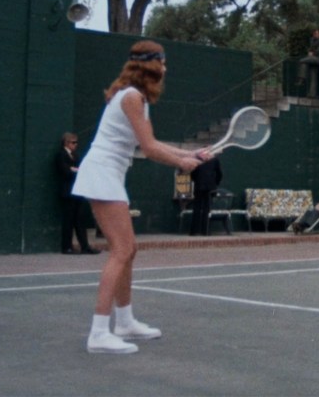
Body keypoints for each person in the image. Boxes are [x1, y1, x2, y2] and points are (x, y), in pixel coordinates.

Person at [72, 40, 209, 355]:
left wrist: (189, 153)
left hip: (110, 174)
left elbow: (151, 142)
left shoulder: (136, 98)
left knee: (128, 250)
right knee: (121, 251)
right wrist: (181, 163)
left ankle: (125, 322)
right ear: (152, 65)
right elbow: (149, 149)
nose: (166, 68)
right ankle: (98, 333)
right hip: (102, 173)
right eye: (163, 62)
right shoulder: (132, 98)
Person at [55, 132, 98, 255]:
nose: (76, 145)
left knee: (80, 220)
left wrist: (74, 170)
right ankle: (66, 247)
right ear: (66, 143)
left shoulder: (75, 156)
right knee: (68, 220)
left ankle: (85, 246)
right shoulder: (61, 155)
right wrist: (74, 170)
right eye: (73, 142)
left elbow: (81, 170)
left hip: (77, 191)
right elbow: (65, 172)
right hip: (67, 192)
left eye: (76, 142)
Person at [189, 157, 223, 236]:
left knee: (196, 208)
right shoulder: (215, 160)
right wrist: (215, 183)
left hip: (199, 186)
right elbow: (219, 174)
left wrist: (196, 181)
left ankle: (194, 231)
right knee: (206, 208)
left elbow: (192, 173)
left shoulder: (197, 159)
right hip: (210, 187)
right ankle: (205, 230)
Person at [296, 28, 319, 97]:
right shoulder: (313, 40)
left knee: (302, 61)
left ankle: (302, 78)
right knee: (313, 76)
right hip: (314, 59)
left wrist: (312, 53)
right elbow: (311, 48)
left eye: (316, 33)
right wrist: (310, 51)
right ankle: (312, 94)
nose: (315, 35)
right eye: (314, 34)